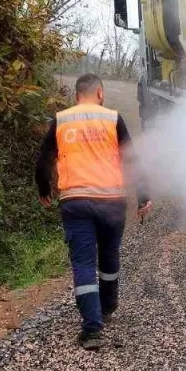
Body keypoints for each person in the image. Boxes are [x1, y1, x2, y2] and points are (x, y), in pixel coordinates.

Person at [35, 73, 152, 350]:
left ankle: (92, 329)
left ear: (77, 96)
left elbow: (44, 160)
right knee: (109, 253)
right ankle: (108, 306)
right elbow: (132, 159)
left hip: (75, 201)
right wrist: (143, 195)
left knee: (84, 262)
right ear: (99, 93)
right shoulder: (113, 119)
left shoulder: (61, 120)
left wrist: (43, 189)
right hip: (112, 199)